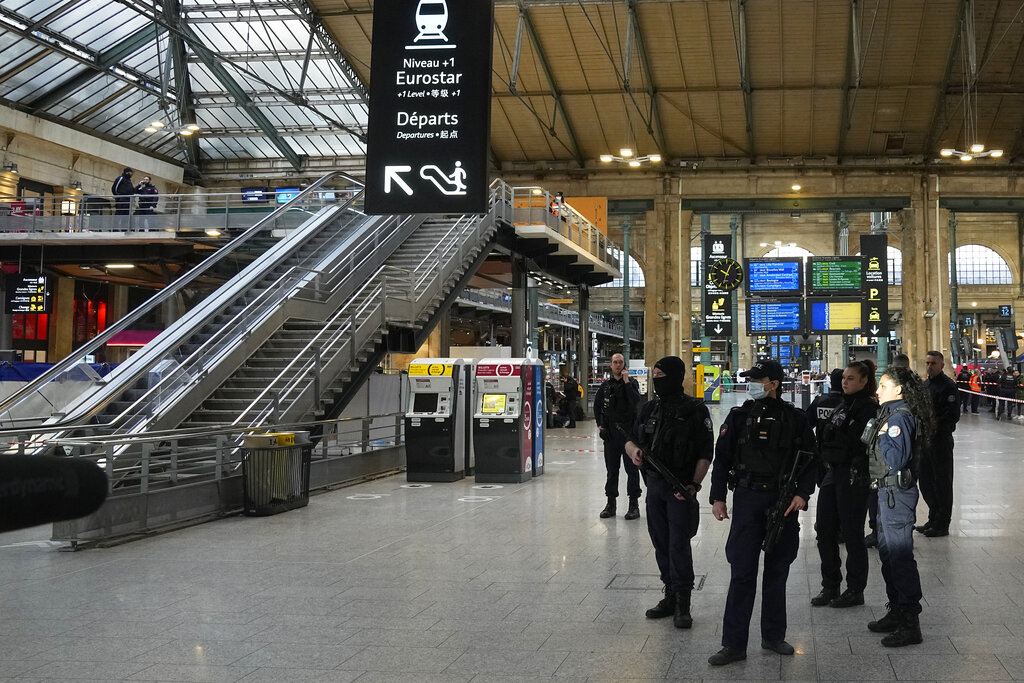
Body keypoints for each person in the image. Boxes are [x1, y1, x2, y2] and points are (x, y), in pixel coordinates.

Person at [707, 359, 818, 666]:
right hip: (746, 498)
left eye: (758, 380)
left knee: (777, 572)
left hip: (782, 501)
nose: (753, 384)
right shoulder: (739, 416)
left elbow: (811, 459)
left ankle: (772, 636)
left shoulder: (795, 419)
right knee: (742, 572)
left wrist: (802, 494)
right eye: (751, 379)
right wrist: (718, 497)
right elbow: (722, 458)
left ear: (775, 383)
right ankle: (733, 644)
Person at [624, 356, 713, 629]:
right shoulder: (649, 408)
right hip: (654, 487)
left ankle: (683, 602)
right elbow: (630, 439)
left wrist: (693, 486)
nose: (657, 380)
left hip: (680, 488)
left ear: (675, 376)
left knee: (678, 545)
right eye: (655, 375)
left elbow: (704, 453)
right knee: (660, 542)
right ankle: (670, 594)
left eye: (662, 375)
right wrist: (634, 451)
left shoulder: (696, 410)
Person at [864, 366, 934, 647]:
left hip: (896, 494)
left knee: (900, 557)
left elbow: (896, 458)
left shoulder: (898, 418)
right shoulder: (890, 414)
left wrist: (881, 433)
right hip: (885, 493)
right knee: (888, 555)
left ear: (898, 389)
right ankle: (895, 610)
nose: (877, 390)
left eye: (882, 385)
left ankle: (909, 621)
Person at [811, 361, 878, 608]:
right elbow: (828, 434)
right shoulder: (843, 405)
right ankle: (830, 585)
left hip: (854, 475)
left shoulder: (869, 407)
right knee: (824, 531)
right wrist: (840, 435)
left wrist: (840, 435)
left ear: (863, 381)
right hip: (833, 473)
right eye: (844, 378)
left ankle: (854, 588)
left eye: (851, 378)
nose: (845, 382)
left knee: (852, 534)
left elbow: (858, 441)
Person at [594, 353, 643, 520]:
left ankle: (633, 505)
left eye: (620, 362)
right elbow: (597, 406)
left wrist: (627, 381)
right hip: (611, 435)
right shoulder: (606, 386)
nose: (617, 365)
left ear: (624, 365)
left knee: (632, 470)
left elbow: (637, 402)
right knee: (612, 471)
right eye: (615, 362)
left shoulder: (632, 383)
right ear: (610, 365)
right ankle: (610, 503)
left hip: (629, 434)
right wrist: (600, 425)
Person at [916, 351, 958, 537]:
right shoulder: (926, 385)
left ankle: (942, 523)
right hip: (925, 440)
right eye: (927, 363)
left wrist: (933, 425)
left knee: (942, 482)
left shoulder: (948, 386)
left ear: (941, 365)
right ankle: (933, 518)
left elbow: (952, 415)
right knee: (925, 481)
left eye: (933, 363)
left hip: (940, 440)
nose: (929, 366)